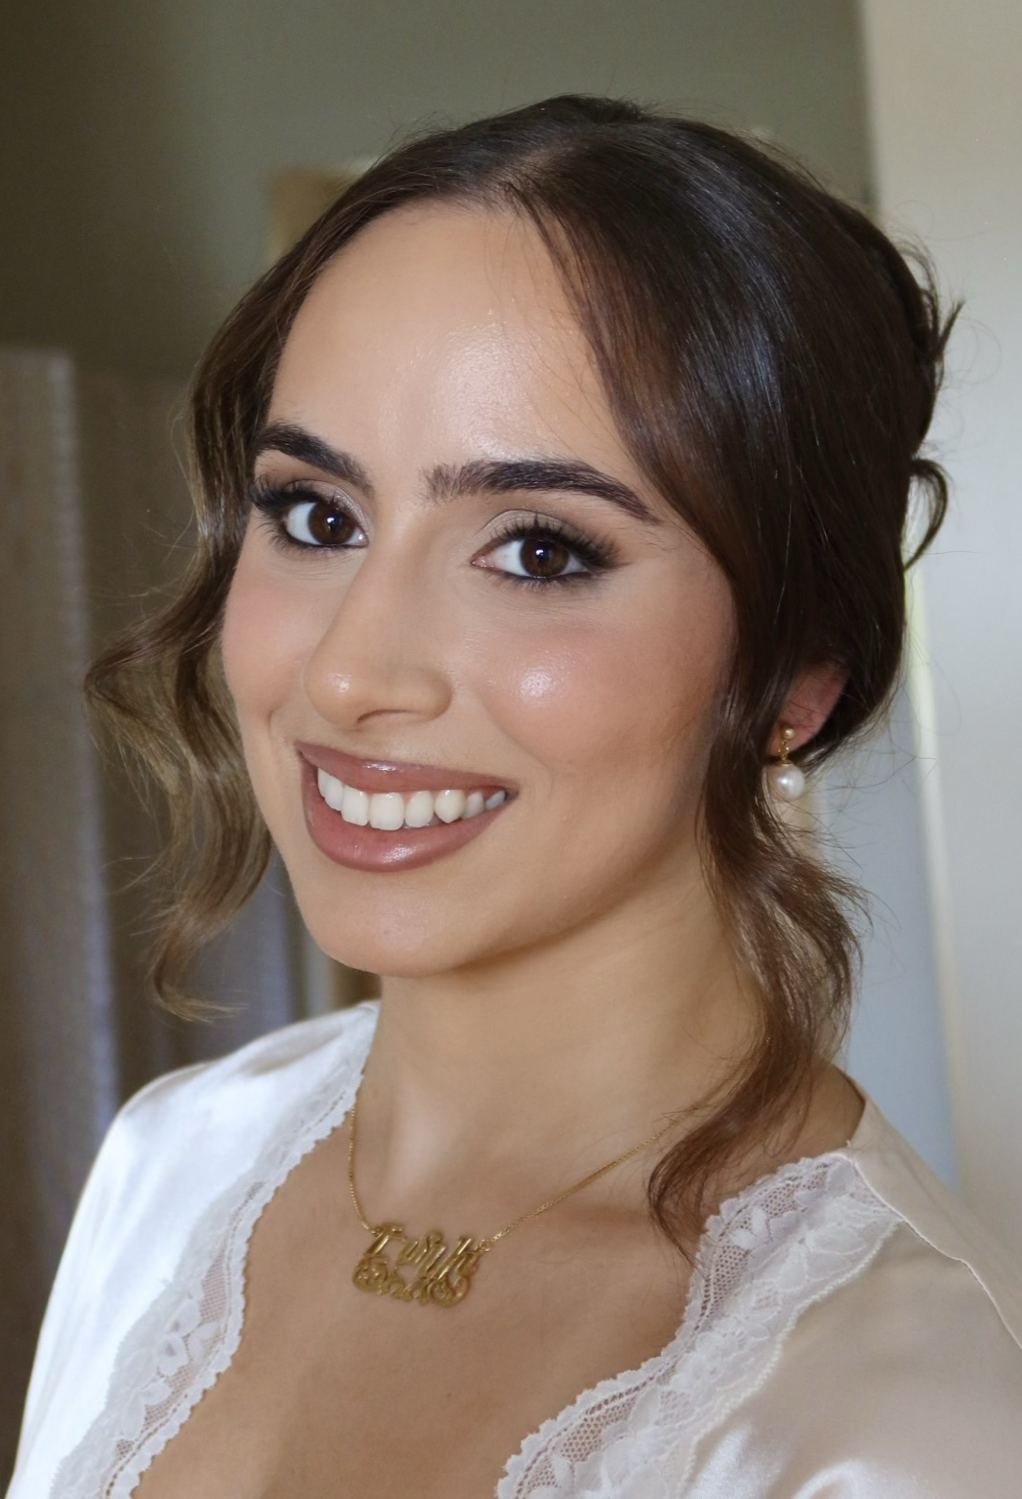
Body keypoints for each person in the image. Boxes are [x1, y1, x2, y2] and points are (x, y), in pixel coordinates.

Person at [9, 95, 1022, 1498]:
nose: (352, 670)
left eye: (540, 550)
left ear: (797, 672)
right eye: (317, 515)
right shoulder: (171, 1166)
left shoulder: (906, 1410)